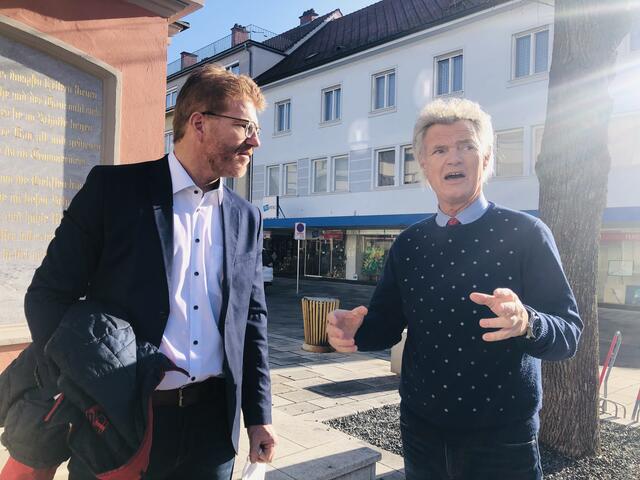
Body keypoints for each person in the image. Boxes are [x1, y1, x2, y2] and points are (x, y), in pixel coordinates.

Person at [24, 64, 276, 479]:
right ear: (199, 122)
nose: (256, 141)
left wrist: (258, 413)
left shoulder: (246, 217)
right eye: (244, 125)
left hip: (212, 431)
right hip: (119, 426)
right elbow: (47, 296)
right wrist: (84, 390)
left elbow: (252, 320)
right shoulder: (114, 192)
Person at [327, 98, 582, 480]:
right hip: (422, 435)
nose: (454, 158)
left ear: (487, 159)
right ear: (424, 165)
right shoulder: (408, 245)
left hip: (503, 442)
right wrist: (354, 330)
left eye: (467, 147)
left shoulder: (527, 234)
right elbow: (385, 324)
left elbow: (569, 333)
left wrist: (527, 321)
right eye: (440, 150)